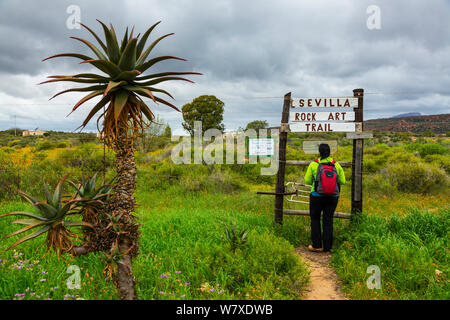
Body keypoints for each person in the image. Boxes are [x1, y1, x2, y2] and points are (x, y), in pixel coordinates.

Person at [304, 143, 345, 252]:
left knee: (315, 219)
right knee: (328, 220)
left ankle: (317, 245)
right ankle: (328, 247)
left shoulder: (313, 164)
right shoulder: (336, 165)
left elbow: (307, 181)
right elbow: (343, 181)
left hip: (316, 195)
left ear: (319, 152)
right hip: (332, 197)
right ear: (329, 152)